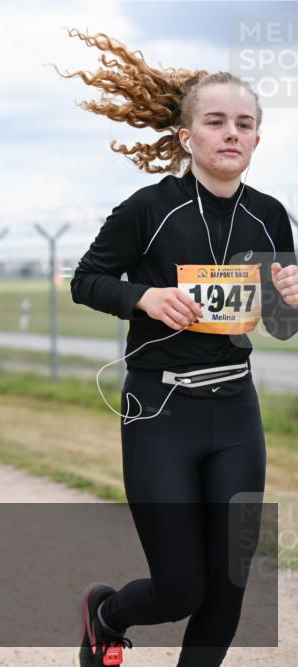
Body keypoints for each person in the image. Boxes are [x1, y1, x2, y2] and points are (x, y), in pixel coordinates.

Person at [63, 30, 298, 667]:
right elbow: (86, 279)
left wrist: (293, 300)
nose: (231, 133)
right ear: (188, 135)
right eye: (216, 121)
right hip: (159, 412)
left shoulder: (271, 217)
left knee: (227, 583)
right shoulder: (150, 209)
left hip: (234, 413)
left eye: (244, 124)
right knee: (180, 588)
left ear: (256, 138)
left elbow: (278, 324)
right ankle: (106, 614)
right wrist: (144, 297)